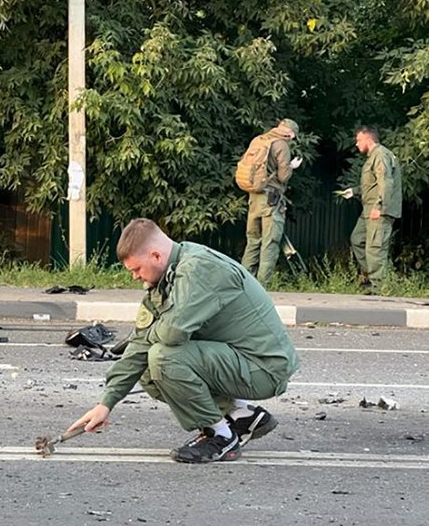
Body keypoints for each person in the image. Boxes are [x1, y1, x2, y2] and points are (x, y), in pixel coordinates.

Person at [68, 218, 299, 464]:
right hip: (238, 360)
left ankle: (220, 436)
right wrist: (106, 403)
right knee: (147, 364)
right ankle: (240, 414)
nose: (135, 277)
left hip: (264, 368)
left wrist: (149, 336)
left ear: (156, 256)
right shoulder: (168, 276)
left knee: (163, 357)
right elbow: (139, 343)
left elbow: (171, 334)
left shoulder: (199, 269)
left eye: (137, 269)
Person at [338, 125, 402, 291]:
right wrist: (354, 191)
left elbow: (386, 183)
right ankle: (372, 277)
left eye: (359, 140)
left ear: (368, 138)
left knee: (375, 248)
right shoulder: (373, 156)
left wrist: (380, 206)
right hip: (368, 210)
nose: (357, 144)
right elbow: (372, 184)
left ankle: (379, 288)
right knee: (357, 239)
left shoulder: (380, 155)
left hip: (378, 211)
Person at [240, 118, 303, 286]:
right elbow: (283, 176)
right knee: (270, 243)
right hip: (271, 200)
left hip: (254, 197)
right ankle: (262, 287)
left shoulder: (259, 140)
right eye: (293, 137)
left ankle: (244, 284)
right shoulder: (281, 145)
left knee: (253, 241)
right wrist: (291, 167)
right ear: (290, 133)